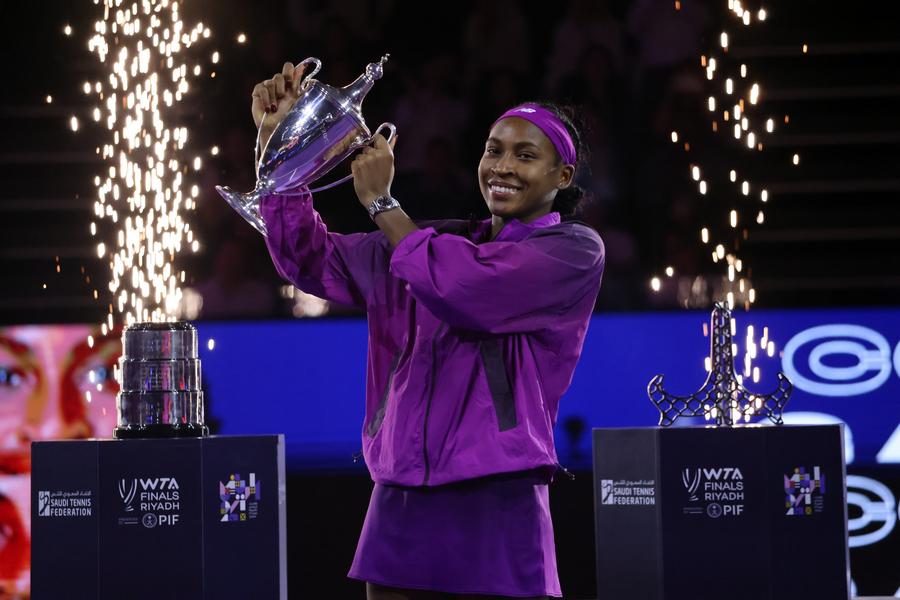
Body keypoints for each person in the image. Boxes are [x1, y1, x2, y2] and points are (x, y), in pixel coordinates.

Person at [251, 62, 605, 599]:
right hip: (401, 490)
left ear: (563, 177)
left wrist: (382, 205)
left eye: (525, 155)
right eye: (493, 150)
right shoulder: (430, 240)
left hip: (496, 493)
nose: (502, 167)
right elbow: (309, 259)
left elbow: (464, 289)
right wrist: (282, 148)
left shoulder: (573, 252)